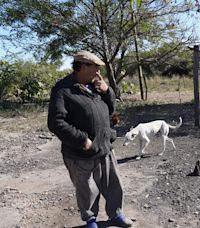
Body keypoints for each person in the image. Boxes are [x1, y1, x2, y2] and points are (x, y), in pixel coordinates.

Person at [47, 50, 134, 228]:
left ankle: (116, 214)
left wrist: (107, 91)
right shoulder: (63, 89)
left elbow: (111, 110)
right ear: (82, 66)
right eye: (95, 67)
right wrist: (81, 140)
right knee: (87, 189)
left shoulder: (95, 85)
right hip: (81, 151)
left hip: (104, 145)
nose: (98, 72)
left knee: (113, 184)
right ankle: (90, 220)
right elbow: (55, 122)